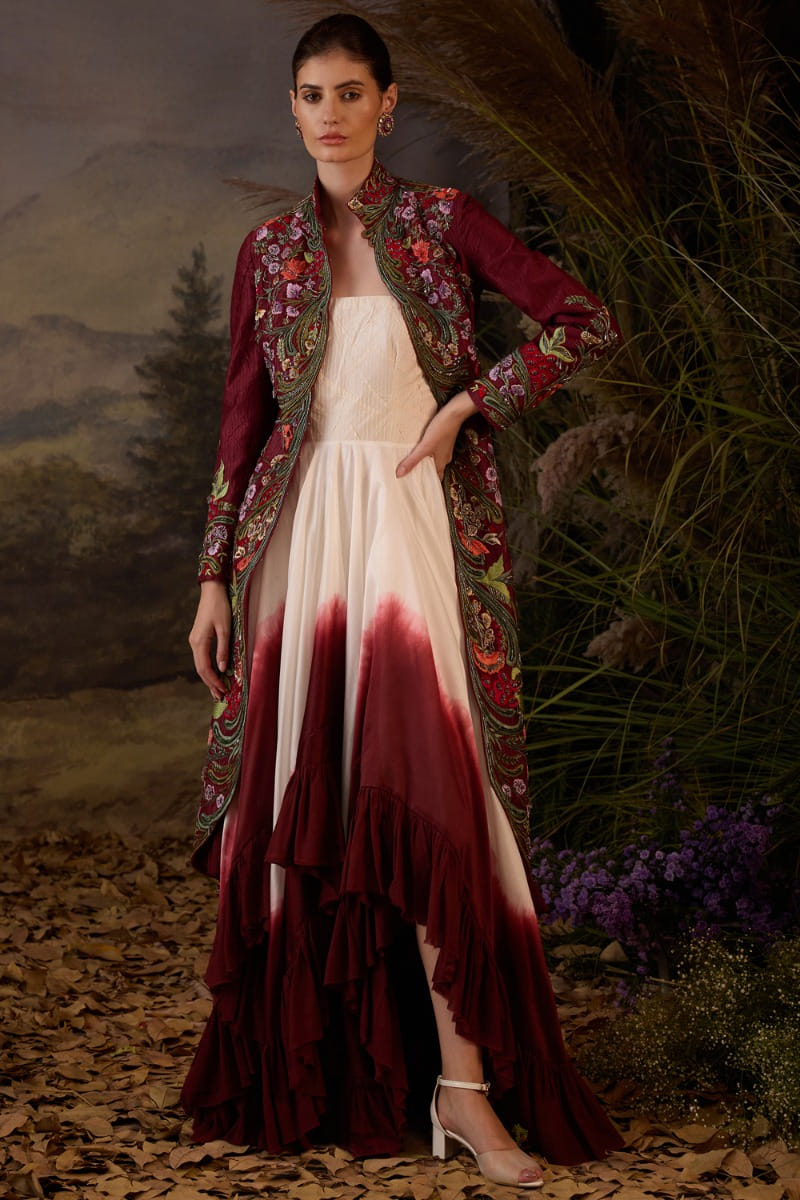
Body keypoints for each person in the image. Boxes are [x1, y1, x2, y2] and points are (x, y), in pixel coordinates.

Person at [181, 12, 624, 1189]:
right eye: (310, 95)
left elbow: (583, 323)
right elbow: (241, 421)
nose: (328, 115)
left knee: (429, 799)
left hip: (409, 517)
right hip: (296, 543)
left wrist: (469, 404)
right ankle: (318, 1071)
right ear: (291, 110)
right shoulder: (268, 250)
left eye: (349, 93)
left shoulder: (442, 220)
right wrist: (213, 576)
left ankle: (464, 1094)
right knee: (309, 795)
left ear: (387, 104)